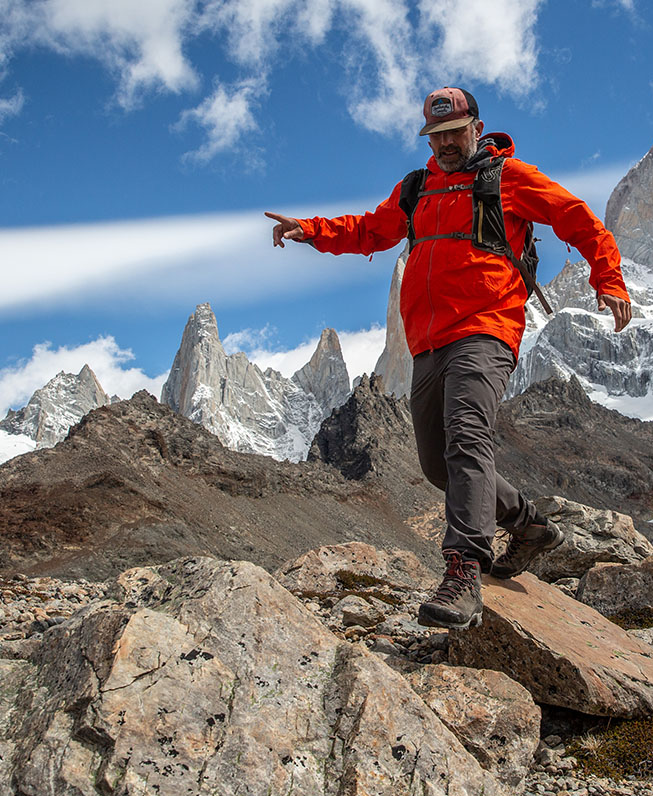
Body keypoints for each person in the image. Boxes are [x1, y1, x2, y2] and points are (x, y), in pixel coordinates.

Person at [266, 87, 631, 629]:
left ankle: (463, 573)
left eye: (455, 133)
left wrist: (608, 278)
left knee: (466, 436)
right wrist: (311, 230)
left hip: (486, 329)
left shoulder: (509, 177)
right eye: (435, 137)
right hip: (427, 342)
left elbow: (576, 218)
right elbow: (372, 229)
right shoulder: (416, 189)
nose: (445, 144)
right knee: (439, 466)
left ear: (476, 128)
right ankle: (529, 525)